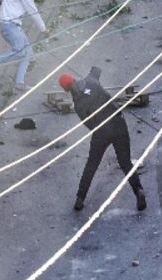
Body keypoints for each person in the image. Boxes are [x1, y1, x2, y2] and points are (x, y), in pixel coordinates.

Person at [59, 68, 146, 212]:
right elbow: (97, 69)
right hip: (118, 124)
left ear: (66, 90)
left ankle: (80, 198)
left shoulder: (78, 105)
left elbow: (89, 124)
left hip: (101, 132)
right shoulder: (91, 81)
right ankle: (138, 191)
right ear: (74, 79)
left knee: (91, 165)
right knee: (125, 162)